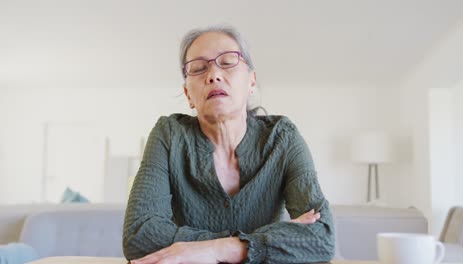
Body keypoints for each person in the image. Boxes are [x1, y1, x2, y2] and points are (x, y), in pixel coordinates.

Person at [123, 25, 335, 264]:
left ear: (251, 82)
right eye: (198, 68)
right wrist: (263, 242)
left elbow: (322, 238)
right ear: (188, 94)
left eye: (227, 62)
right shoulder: (169, 134)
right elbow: (139, 237)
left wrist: (216, 250)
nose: (213, 74)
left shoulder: (282, 137)